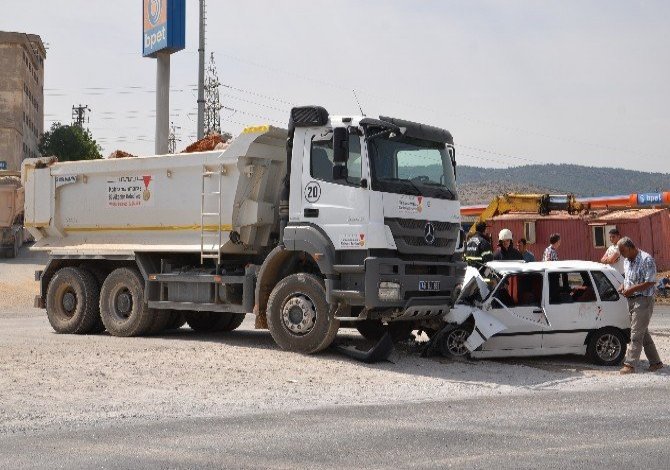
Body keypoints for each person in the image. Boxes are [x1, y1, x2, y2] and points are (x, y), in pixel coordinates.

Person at [617, 237, 663, 374]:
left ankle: (630, 365)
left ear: (631, 248)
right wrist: (623, 286)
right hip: (631, 299)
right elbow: (628, 278)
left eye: (623, 251)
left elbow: (650, 281)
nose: (622, 254)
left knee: (636, 333)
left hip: (644, 299)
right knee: (642, 332)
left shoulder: (646, 259)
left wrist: (632, 289)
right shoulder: (626, 260)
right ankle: (656, 362)